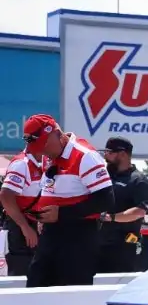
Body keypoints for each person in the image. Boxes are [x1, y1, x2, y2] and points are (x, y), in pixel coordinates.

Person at [21, 115, 114, 287]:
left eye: (44, 146)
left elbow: (106, 200)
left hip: (77, 236)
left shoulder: (85, 156)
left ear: (58, 134)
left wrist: (61, 214)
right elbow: (51, 185)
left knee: (71, 293)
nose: (42, 152)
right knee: (35, 286)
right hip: (51, 232)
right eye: (37, 148)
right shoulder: (48, 156)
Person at [96, 137, 148, 273]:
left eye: (109, 152)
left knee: (119, 286)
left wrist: (112, 217)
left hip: (124, 246)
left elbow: (140, 211)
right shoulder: (105, 175)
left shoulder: (138, 180)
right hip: (99, 244)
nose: (105, 156)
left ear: (122, 154)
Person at [0, 150, 49, 277]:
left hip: (37, 225)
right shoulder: (21, 163)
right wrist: (25, 227)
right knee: (20, 275)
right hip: (19, 227)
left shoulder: (46, 163)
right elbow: (5, 196)